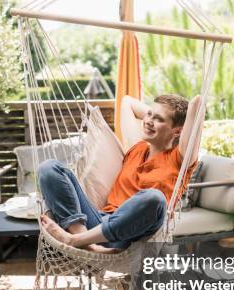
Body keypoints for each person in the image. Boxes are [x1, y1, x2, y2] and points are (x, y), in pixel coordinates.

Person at [38, 94, 200, 253]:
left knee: (154, 198)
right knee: (49, 168)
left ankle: (74, 240)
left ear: (178, 132)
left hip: (132, 234)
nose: (148, 121)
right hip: (98, 223)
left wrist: (184, 113)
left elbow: (196, 105)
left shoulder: (180, 160)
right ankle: (86, 242)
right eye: (149, 114)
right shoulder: (136, 147)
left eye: (159, 119)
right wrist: (158, 117)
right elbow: (127, 102)